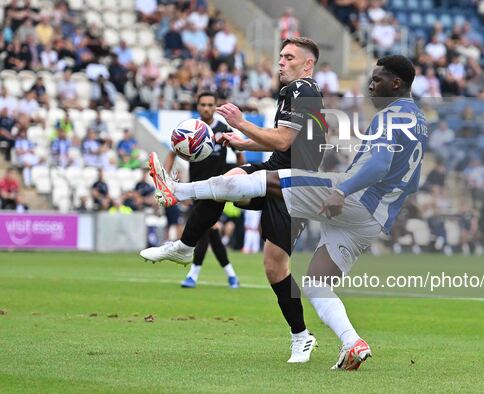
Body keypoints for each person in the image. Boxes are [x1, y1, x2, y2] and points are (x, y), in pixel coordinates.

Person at [147, 55, 426, 371]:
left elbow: (378, 163)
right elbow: (412, 181)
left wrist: (342, 191)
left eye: (377, 80)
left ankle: (178, 191)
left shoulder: (390, 116)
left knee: (270, 181)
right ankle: (353, 343)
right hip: (374, 219)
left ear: (397, 83)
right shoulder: (419, 120)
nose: (371, 86)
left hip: (354, 199)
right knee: (317, 282)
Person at [141, 37, 325, 364]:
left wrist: (242, 123)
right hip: (277, 172)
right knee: (228, 180)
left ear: (307, 64)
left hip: (293, 187)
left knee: (274, 266)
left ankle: (302, 337)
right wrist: (243, 139)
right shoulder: (299, 92)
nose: (281, 61)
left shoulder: (301, 91)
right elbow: (286, 145)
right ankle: (184, 245)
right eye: (280, 55)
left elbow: (285, 139)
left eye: (289, 57)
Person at [164, 91, 244, 289]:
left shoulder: (224, 129)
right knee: (208, 232)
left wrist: (242, 175)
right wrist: (165, 178)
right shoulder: (191, 128)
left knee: (207, 230)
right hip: (195, 188)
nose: (206, 108)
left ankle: (193, 275)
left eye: (210, 104)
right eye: (203, 105)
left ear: (215, 106)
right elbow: (172, 153)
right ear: (197, 106)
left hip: (217, 190)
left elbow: (240, 154)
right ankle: (231, 275)